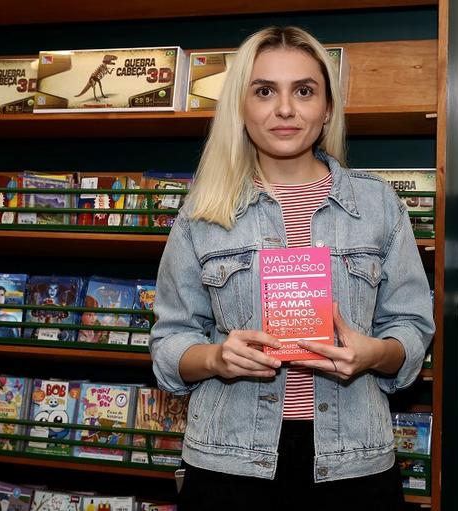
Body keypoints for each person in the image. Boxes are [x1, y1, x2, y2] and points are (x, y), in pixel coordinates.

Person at [150, 26, 434, 510]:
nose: (285, 109)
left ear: (326, 109)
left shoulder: (379, 205)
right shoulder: (203, 211)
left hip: (354, 461)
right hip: (229, 462)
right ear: (241, 107)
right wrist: (217, 358)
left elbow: (411, 328)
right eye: (264, 91)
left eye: (304, 91)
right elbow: (169, 343)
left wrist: (373, 353)